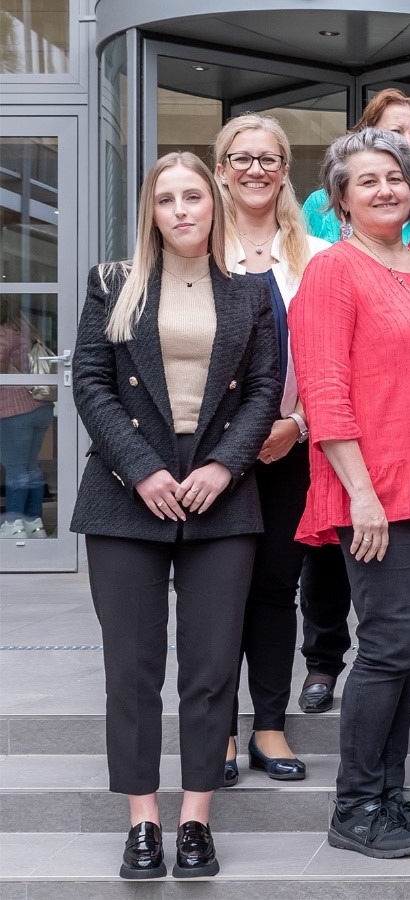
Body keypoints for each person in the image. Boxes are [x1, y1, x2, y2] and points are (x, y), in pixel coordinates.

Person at [70, 152, 280, 880]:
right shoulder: (112, 284)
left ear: (215, 203)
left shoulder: (252, 292)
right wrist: (143, 468)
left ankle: (195, 820)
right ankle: (142, 824)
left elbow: (264, 389)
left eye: (194, 196)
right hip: (126, 492)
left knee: (213, 665)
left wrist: (224, 465)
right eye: (167, 199)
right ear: (151, 212)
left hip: (221, 493)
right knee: (131, 669)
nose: (183, 209)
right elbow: (91, 385)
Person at [289, 128, 410, 860]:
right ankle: (354, 805)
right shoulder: (332, 271)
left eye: (395, 176)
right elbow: (324, 392)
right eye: (366, 181)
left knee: (406, 646)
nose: (384, 189)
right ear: (341, 199)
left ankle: (389, 795)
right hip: (371, 488)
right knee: (387, 645)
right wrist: (359, 493)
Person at [211, 113, 331, 786]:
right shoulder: (195, 248)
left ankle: (270, 726)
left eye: (270, 159)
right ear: (222, 167)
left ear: (286, 171)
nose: (256, 169)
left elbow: (329, 358)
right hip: (211, 457)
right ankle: (218, 731)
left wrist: (300, 423)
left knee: (275, 589)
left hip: (289, 446)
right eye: (242, 157)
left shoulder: (313, 255)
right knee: (217, 593)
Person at [0, 296, 55, 539]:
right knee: (30, 465)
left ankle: (13, 523)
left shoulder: (4, 335)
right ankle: (34, 522)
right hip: (40, 408)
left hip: (15, 410)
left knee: (14, 467)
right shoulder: (26, 330)